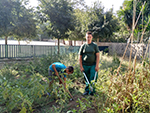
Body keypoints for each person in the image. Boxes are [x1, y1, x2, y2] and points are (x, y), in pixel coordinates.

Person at [78, 31, 100, 95]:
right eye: (87, 37)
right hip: (85, 65)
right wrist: (81, 66)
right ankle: (87, 90)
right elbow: (80, 57)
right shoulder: (83, 46)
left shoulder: (94, 46)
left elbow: (98, 55)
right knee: (86, 78)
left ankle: (92, 91)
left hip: (93, 65)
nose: (88, 38)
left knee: (93, 78)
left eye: (90, 37)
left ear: (92, 37)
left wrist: (97, 65)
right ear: (85, 37)